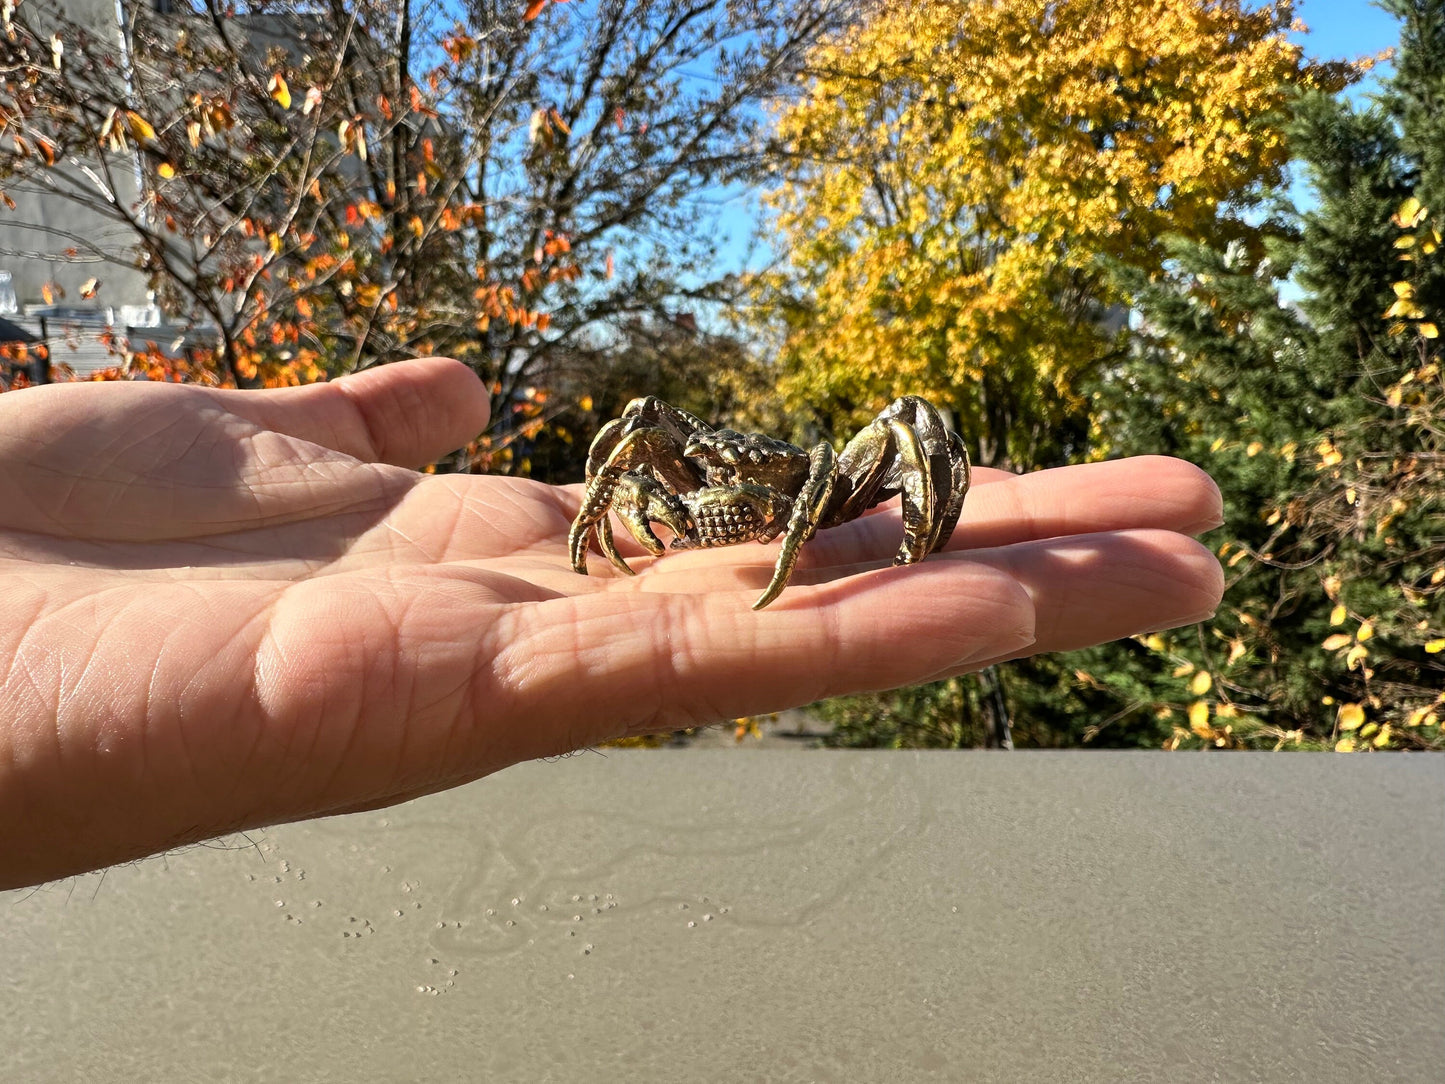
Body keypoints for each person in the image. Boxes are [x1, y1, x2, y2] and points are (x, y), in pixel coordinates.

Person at [0, 358, 1223, 890]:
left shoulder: (826, 472)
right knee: (644, 424)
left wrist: (839, 531)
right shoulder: (669, 480)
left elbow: (882, 446)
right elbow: (638, 446)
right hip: (698, 516)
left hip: (808, 502)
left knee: (915, 412)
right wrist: (601, 532)